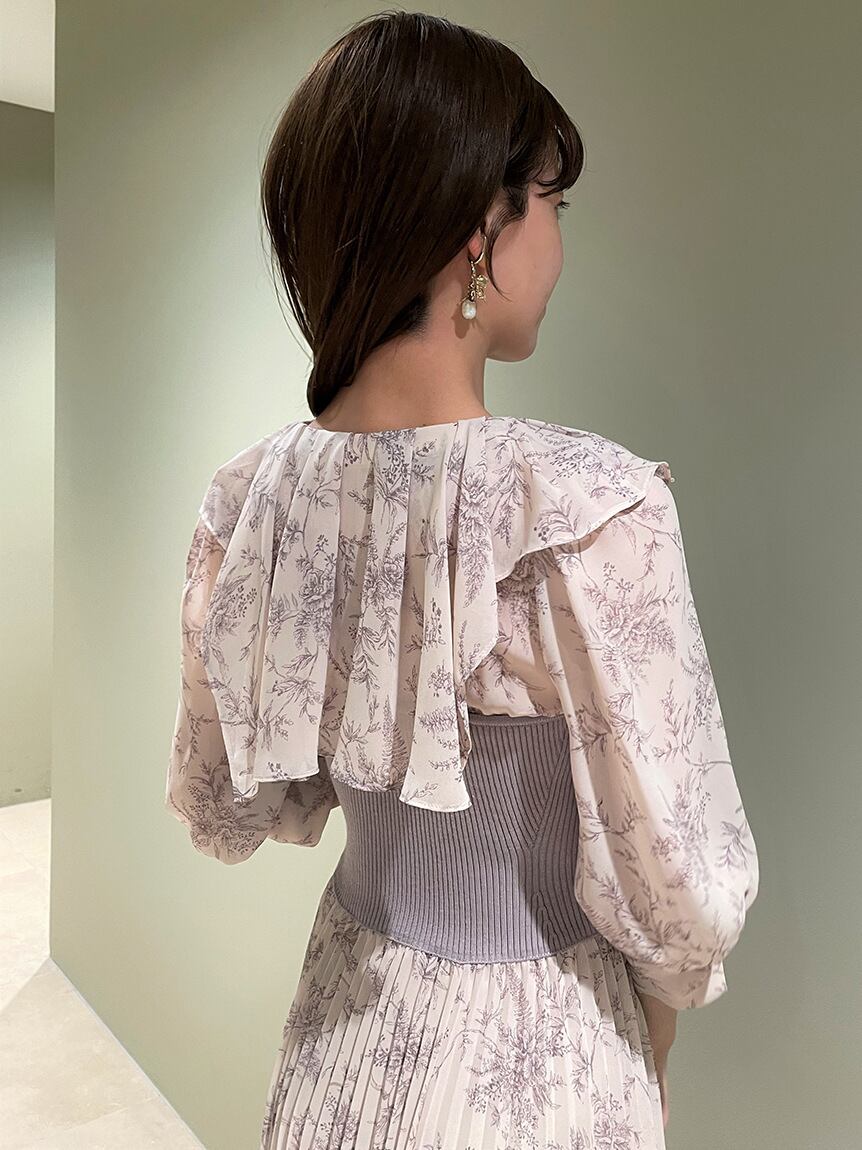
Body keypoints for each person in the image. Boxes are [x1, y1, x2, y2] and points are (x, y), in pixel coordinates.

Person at [164, 11, 759, 1149]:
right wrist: (656, 1053)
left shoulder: (250, 503)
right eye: (553, 202)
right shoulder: (587, 511)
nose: (560, 243)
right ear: (482, 231)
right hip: (537, 1053)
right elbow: (673, 891)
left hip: (344, 1024)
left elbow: (224, 799)